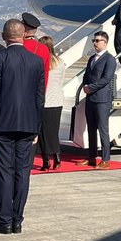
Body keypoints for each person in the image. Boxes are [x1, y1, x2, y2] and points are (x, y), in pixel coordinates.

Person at [0, 19, 44, 234]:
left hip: (3, 123)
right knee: (22, 172)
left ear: (4, 37)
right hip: (27, 124)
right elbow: (39, 97)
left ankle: (4, 219)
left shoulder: (0, 56)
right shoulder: (36, 61)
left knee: (3, 172)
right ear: (24, 35)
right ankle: (17, 220)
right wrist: (36, 127)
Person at [82, 30, 117, 168]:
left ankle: (105, 159)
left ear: (105, 42)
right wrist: (85, 85)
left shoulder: (109, 59)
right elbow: (86, 75)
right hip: (90, 98)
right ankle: (91, 157)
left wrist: (91, 87)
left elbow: (106, 79)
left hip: (102, 99)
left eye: (97, 41)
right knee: (91, 129)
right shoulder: (92, 58)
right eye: (93, 41)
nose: (95, 43)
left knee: (103, 129)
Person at [37, 35, 66, 171]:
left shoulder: (41, 61)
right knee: (54, 131)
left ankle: (45, 161)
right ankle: (57, 156)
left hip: (45, 100)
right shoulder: (60, 62)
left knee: (42, 132)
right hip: (57, 100)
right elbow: (61, 81)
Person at [20, 11, 50, 90]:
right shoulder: (44, 49)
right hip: (34, 92)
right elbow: (45, 76)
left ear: (24, 30)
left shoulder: (17, 47)